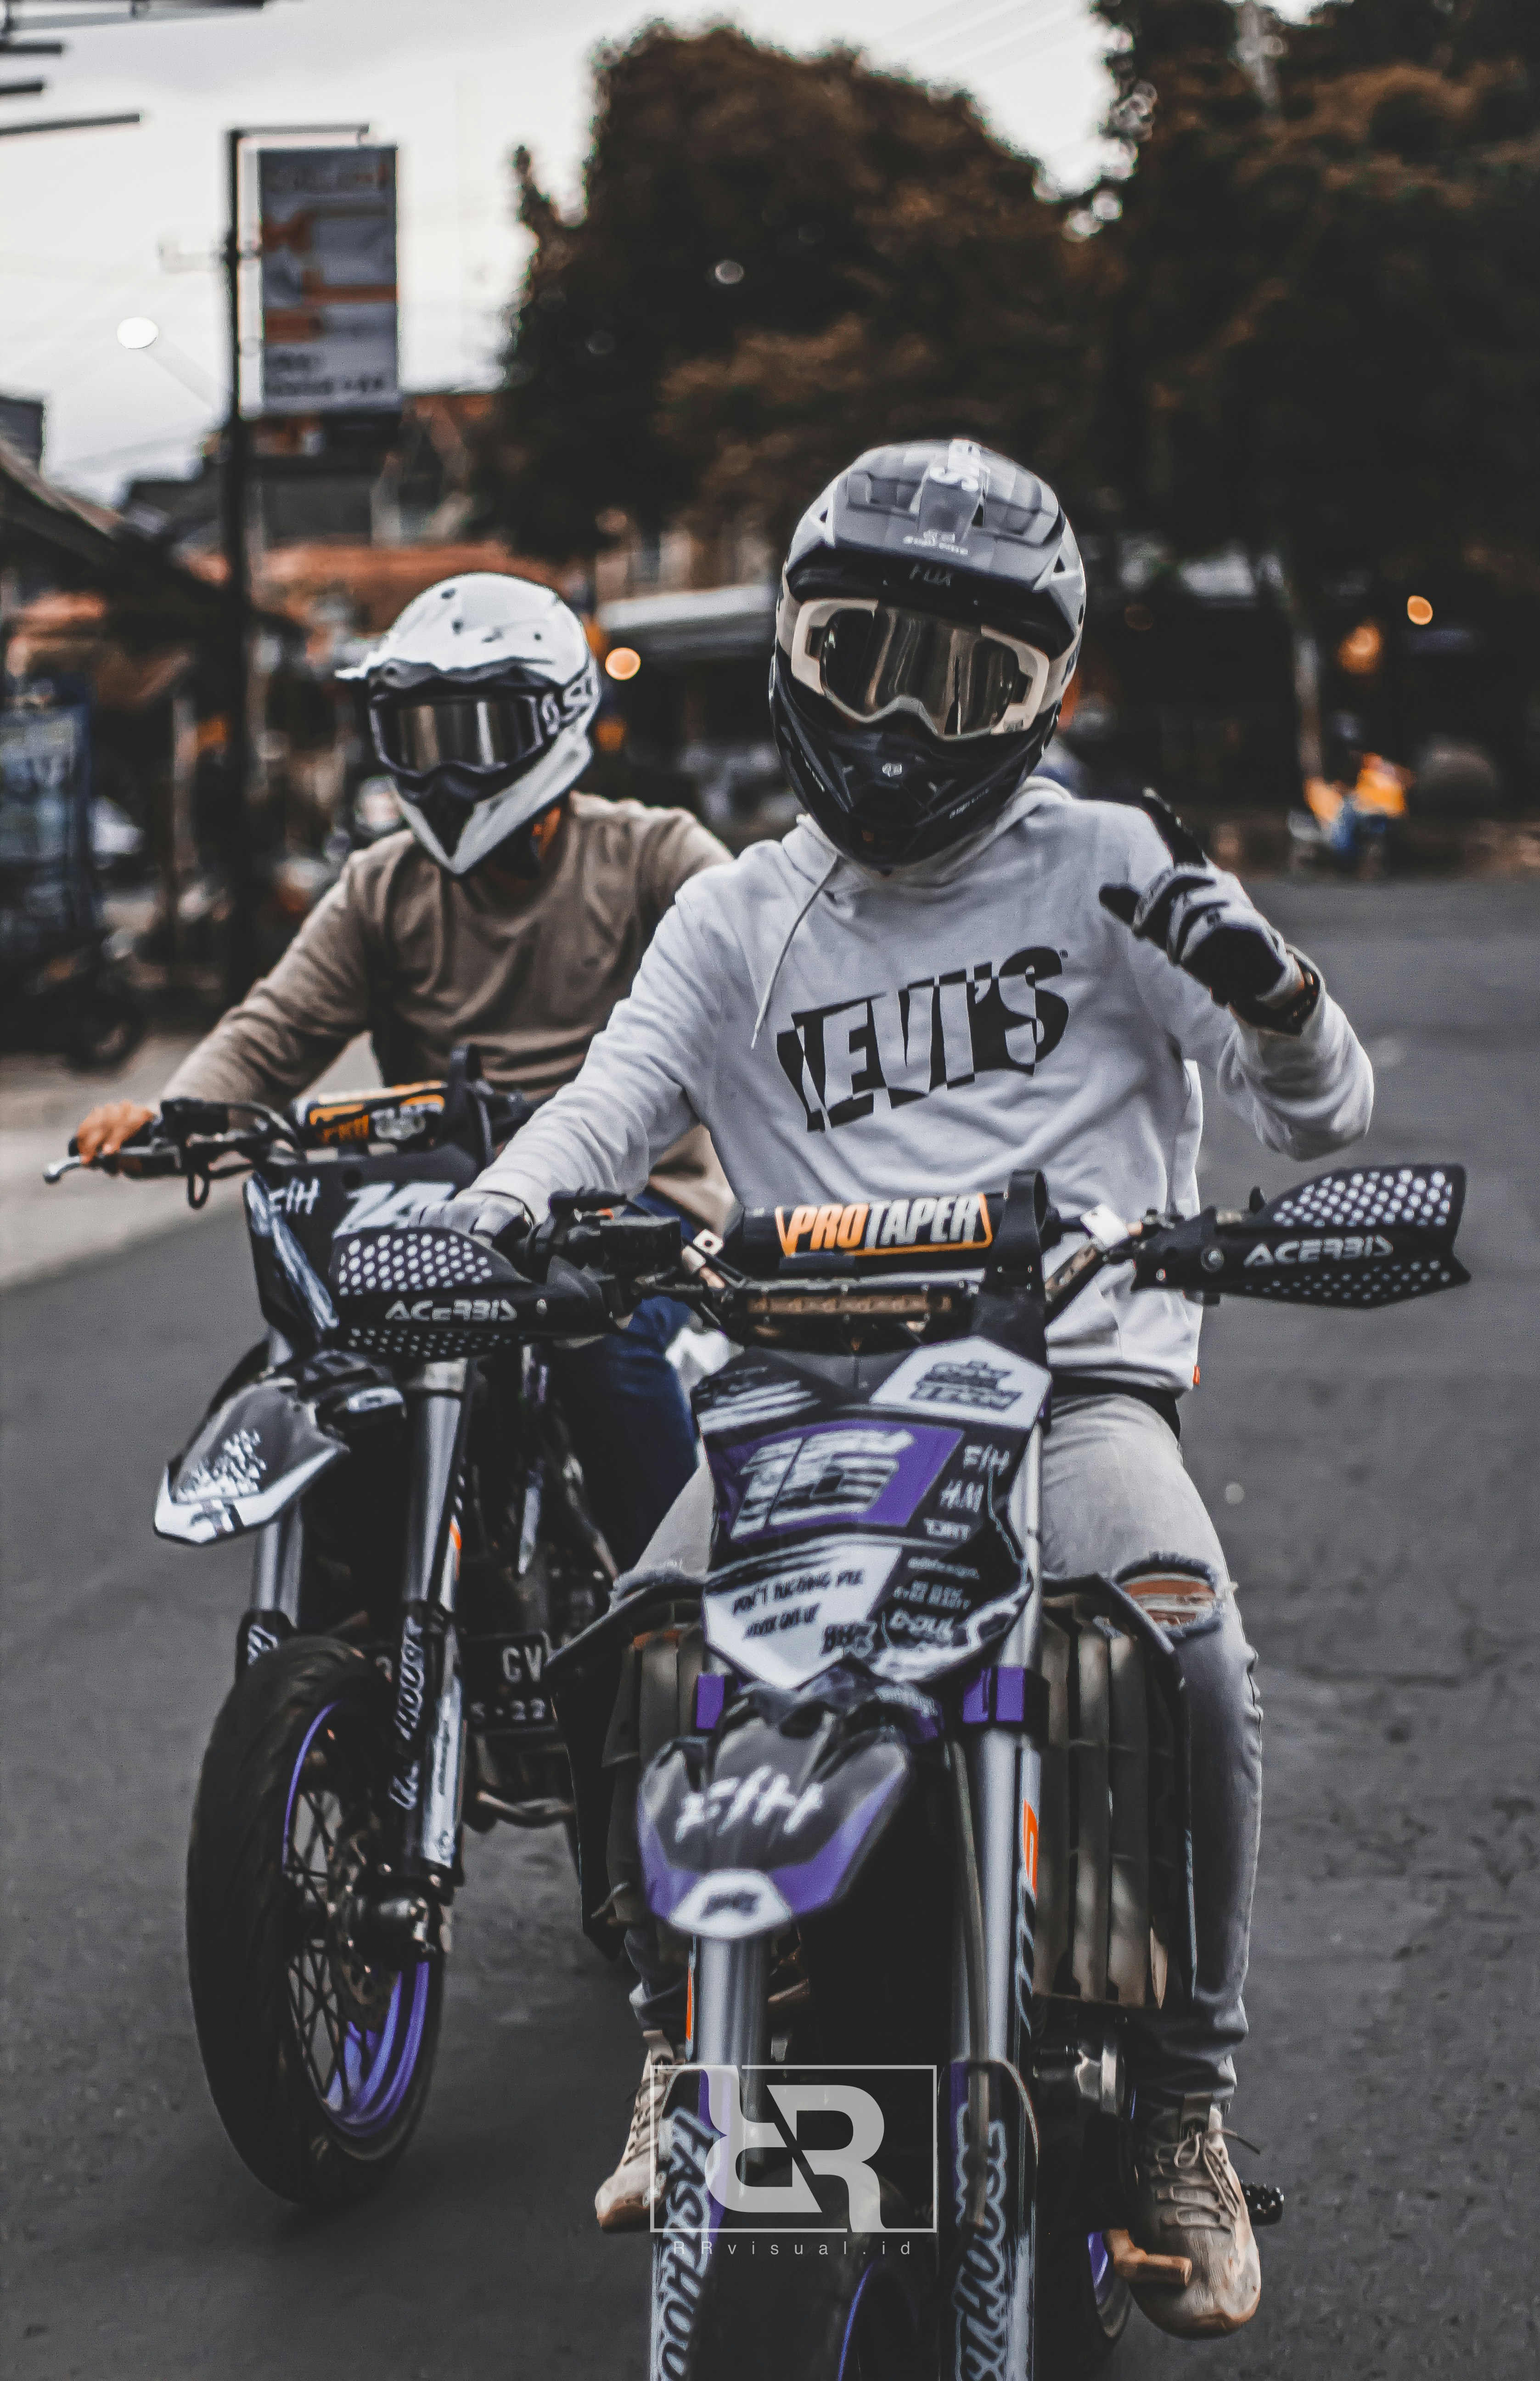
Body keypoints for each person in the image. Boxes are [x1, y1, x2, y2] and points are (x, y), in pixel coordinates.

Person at [410, 443, 1372, 2333]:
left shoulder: (1115, 866)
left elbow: (1323, 1111)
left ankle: (1181, 2104)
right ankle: (680, 2043)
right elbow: (604, 1110)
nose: (907, 722)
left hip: (1067, 1394)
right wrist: (481, 1224)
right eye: (866, 659)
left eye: (966, 678)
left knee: (1181, 1645)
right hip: (799, 1414)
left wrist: (1274, 993)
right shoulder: (736, 913)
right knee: (640, 1646)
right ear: (795, 649)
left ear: (1044, 697)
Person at [73, 571, 732, 1568]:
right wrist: (172, 1117)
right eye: (420, 735)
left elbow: (761, 974)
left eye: (475, 732)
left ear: (554, 720)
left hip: (633, 1218)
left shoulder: (654, 855)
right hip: (443, 1212)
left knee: (606, 1354)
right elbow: (274, 1030)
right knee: (331, 1371)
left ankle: (670, 1614)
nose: (445, 768)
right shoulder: (380, 887)